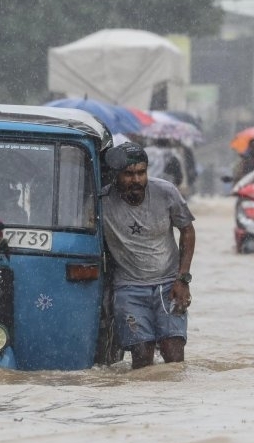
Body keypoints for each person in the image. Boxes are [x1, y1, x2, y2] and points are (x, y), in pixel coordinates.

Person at [101, 142, 196, 369]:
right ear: (115, 176)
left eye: (141, 173)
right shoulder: (101, 202)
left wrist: (183, 279)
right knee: (142, 359)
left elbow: (187, 230)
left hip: (169, 286)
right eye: (129, 174)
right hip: (129, 288)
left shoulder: (166, 192)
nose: (136, 180)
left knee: (173, 356)